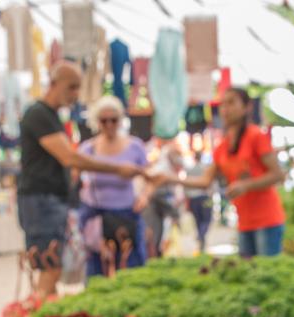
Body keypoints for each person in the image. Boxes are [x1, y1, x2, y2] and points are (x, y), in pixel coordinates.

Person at [18, 62, 146, 298]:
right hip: (42, 201)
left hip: (53, 202)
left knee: (54, 268)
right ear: (54, 84)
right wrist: (118, 169)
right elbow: (70, 158)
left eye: (78, 87)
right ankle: (40, 314)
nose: (76, 94)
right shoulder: (39, 114)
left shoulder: (51, 116)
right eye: (72, 87)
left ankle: (45, 312)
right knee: (50, 267)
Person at [178, 87, 286, 257]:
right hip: (244, 223)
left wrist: (246, 185)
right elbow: (205, 181)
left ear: (247, 107)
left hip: (267, 221)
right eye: (222, 104)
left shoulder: (256, 136)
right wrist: (170, 179)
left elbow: (278, 175)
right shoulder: (223, 146)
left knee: (265, 270)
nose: (225, 109)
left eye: (231, 103)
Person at [73, 95, 148, 277]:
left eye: (113, 120)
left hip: (126, 213)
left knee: (131, 267)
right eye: (104, 120)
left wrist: (145, 196)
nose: (109, 125)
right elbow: (74, 177)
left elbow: (150, 177)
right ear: (97, 121)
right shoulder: (87, 149)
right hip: (96, 215)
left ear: (120, 120)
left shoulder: (135, 146)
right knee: (96, 270)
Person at [142, 140, 184, 258]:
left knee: (158, 238)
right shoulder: (162, 170)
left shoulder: (167, 168)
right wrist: (174, 213)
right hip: (152, 209)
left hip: (158, 210)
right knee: (153, 239)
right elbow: (157, 195)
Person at [185, 151, 214, 253]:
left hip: (193, 198)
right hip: (205, 197)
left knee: (198, 220)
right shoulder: (206, 168)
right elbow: (211, 183)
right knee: (207, 219)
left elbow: (186, 185)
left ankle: (201, 237)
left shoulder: (190, 170)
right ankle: (201, 235)